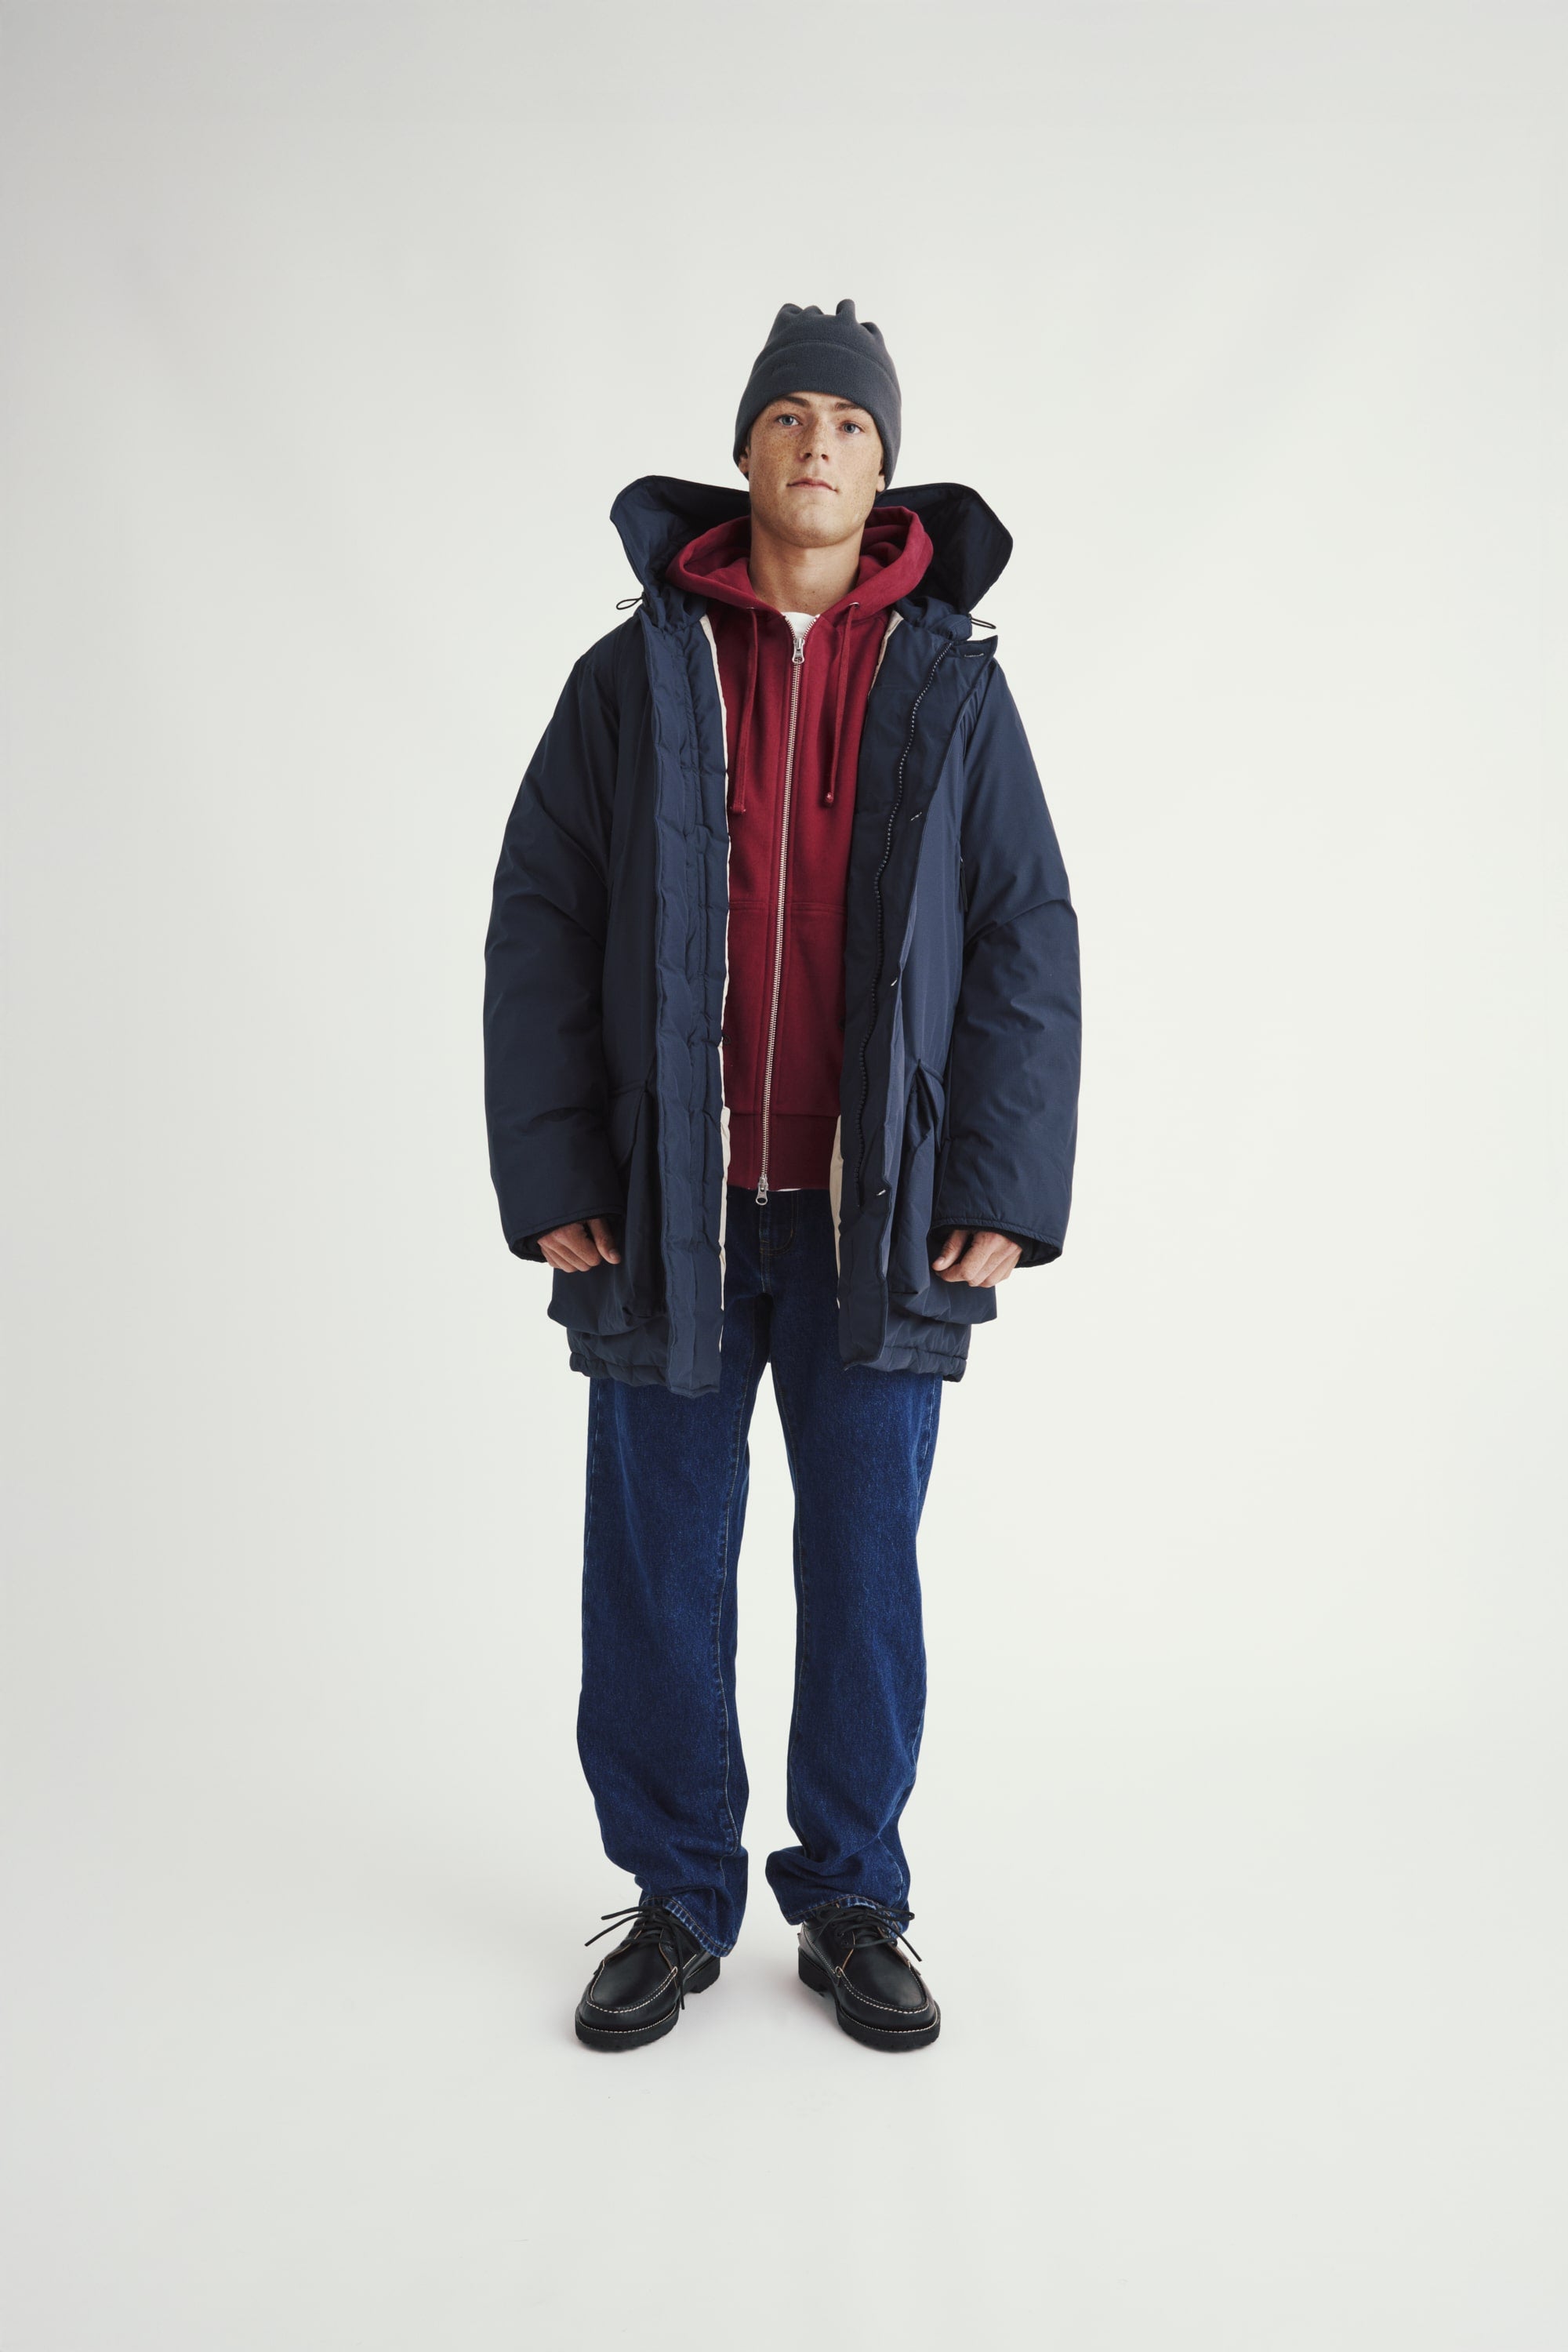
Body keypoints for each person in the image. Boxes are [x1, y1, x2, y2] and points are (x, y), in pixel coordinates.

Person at [484, 298, 1080, 2053]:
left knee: (865, 1563)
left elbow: (1023, 935)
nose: (819, 444)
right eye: (791, 416)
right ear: (745, 450)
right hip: (664, 1206)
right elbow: (542, 922)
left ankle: (852, 1895)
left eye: (853, 424)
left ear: (886, 474)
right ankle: (677, 1896)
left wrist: (1001, 1183)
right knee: (658, 1562)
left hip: (877, 1218)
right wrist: (553, 1168)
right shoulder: (630, 676)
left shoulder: (954, 689)